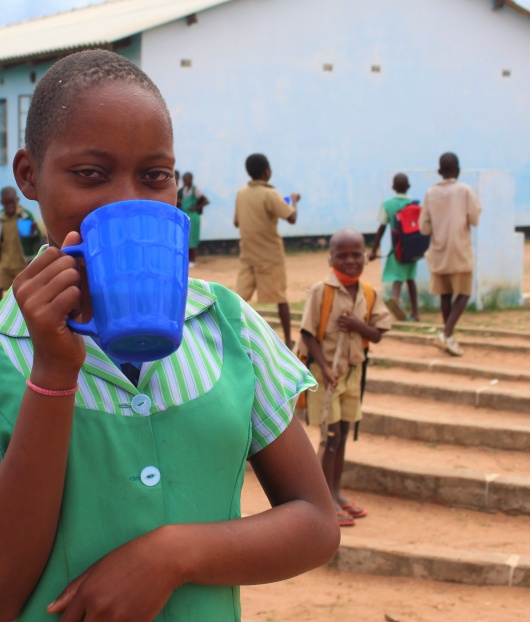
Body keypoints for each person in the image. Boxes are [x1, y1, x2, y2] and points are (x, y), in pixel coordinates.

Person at [0, 50, 339, 622]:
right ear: (29, 175)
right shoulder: (9, 346)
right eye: (90, 174)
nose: (130, 200)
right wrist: (54, 373)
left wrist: (172, 555)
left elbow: (315, 522)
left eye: (155, 176)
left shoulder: (229, 327)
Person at [300, 229, 391, 527]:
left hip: (352, 374)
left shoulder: (368, 292)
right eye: (343, 256)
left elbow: (377, 333)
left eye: (356, 255)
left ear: (365, 256)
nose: (351, 261)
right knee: (331, 436)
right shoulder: (320, 291)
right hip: (326, 375)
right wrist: (325, 368)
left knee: (343, 436)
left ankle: (336, 493)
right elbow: (308, 334)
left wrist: (356, 324)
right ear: (330, 259)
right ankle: (323, 500)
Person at [234, 153, 300, 348]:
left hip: (248, 255)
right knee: (281, 299)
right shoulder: (270, 194)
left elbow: (237, 221)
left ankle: (234, 338)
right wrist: (294, 200)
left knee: (239, 299)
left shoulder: (241, 194)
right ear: (267, 172)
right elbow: (292, 217)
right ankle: (288, 341)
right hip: (270, 255)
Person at [419, 152, 481, 357]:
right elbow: (474, 219)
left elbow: (424, 228)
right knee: (463, 293)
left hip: (438, 251)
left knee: (445, 295)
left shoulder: (430, 194)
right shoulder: (465, 191)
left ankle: (449, 336)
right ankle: (446, 334)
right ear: (459, 170)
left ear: (439, 172)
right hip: (460, 250)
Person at [368, 173, 420, 321]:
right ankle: (416, 312)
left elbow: (381, 228)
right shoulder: (414, 204)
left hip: (397, 247)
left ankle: (395, 298)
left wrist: (373, 249)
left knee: (397, 277)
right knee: (411, 279)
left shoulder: (388, 205)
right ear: (408, 187)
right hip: (412, 248)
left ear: (393, 188)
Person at [0, 186, 41, 298]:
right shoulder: (1, 219)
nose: (9, 206)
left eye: (11, 202)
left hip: (22, 265)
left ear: (17, 200)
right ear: (2, 202)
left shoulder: (25, 216)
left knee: (24, 295)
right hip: (4, 266)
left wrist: (33, 232)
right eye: (6, 203)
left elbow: (36, 239)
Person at [178, 171, 210, 267]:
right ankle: (187, 260)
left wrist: (196, 207)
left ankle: (193, 260)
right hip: (185, 216)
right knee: (185, 238)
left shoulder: (195, 190)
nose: (185, 181)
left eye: (187, 179)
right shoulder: (182, 190)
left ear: (191, 179)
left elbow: (206, 201)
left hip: (193, 216)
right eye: (183, 180)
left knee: (192, 238)